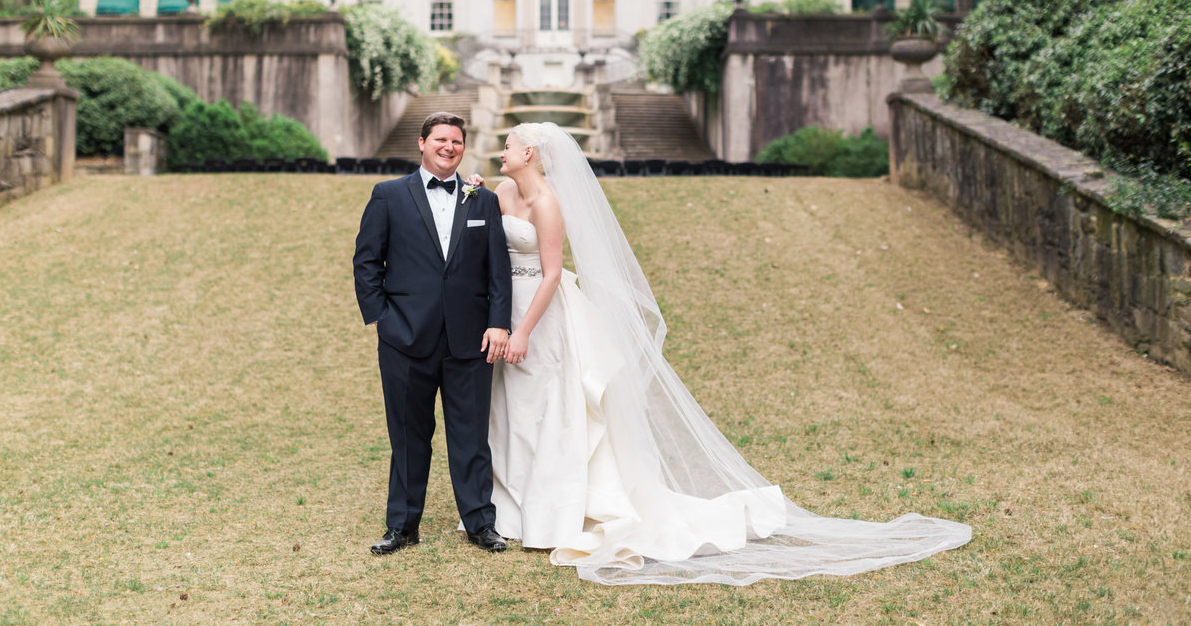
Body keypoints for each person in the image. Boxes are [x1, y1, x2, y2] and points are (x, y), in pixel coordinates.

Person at [481, 122, 972, 585]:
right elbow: (483, 235)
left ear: (530, 154)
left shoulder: (548, 202)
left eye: (508, 145)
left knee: (554, 410)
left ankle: (556, 514)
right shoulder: (501, 193)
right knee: (513, 411)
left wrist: (522, 331)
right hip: (504, 309)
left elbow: (549, 273)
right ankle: (515, 510)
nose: (501, 152)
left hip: (542, 316)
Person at [352, 112, 513, 556]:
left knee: (471, 435)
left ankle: (480, 523)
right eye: (440, 139)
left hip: (471, 340)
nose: (449, 147)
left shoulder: (481, 199)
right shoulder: (388, 196)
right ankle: (402, 526)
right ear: (421, 144)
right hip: (405, 340)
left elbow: (498, 269)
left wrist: (499, 322)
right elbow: (367, 262)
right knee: (407, 435)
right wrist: (382, 318)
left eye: (457, 141)